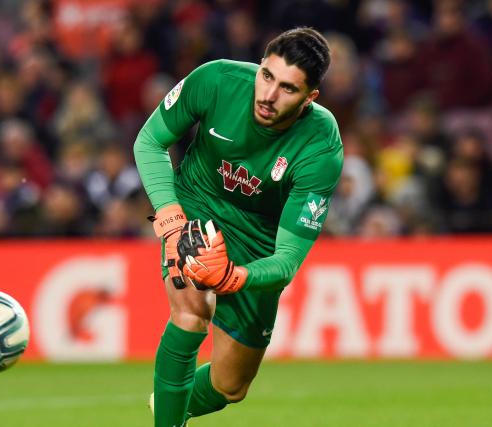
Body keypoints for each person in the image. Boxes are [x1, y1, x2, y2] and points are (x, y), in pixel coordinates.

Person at [133, 27, 343, 427]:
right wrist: (172, 217)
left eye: (287, 89)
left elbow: (286, 261)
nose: (268, 95)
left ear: (309, 98)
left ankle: (170, 400)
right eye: (267, 76)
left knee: (231, 385)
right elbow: (149, 142)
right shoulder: (215, 80)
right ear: (259, 65)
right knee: (192, 313)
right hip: (198, 206)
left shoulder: (321, 147)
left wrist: (234, 276)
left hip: (259, 242)